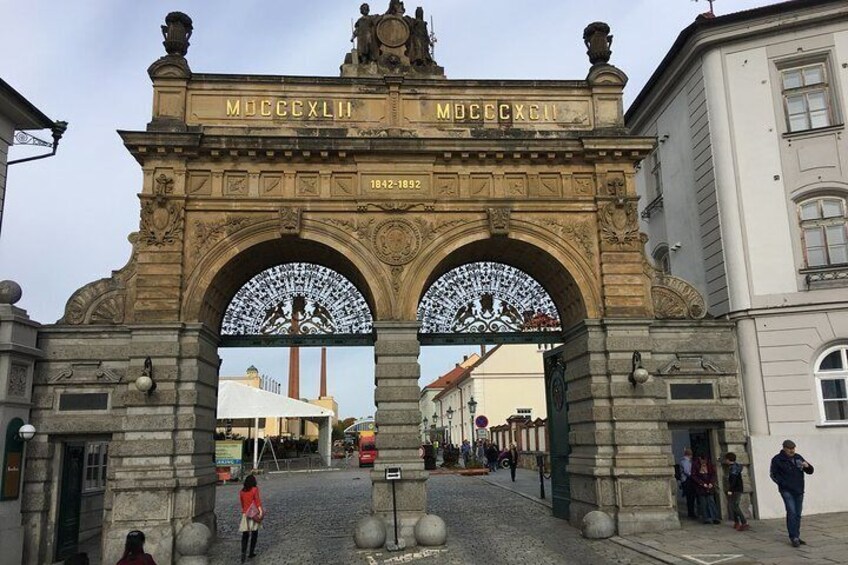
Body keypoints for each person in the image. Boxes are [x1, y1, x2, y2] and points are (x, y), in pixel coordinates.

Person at [770, 439, 814, 547]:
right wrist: (783, 484)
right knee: (792, 512)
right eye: (789, 449)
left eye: (793, 448)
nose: (792, 450)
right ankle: (793, 537)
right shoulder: (777, 459)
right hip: (786, 490)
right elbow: (773, 475)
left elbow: (810, 471)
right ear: (784, 448)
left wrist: (807, 466)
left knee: (798, 514)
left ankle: (797, 536)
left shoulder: (798, 457)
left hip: (799, 489)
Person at [239, 474, 264, 562]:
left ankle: (243, 554)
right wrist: (261, 512)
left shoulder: (242, 491)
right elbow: (257, 501)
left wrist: (245, 511)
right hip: (253, 514)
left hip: (245, 514)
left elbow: (242, 503)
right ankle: (251, 552)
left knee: (245, 535)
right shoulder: (254, 489)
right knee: (254, 533)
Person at [690, 456, 720, 524]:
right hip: (701, 487)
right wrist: (702, 484)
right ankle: (706, 518)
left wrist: (711, 483)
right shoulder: (695, 465)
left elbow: (713, 474)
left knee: (711, 502)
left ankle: (714, 517)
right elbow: (694, 476)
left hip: (709, 486)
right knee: (703, 503)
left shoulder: (709, 465)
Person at [724, 452, 748, 531]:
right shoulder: (736, 466)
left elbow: (733, 481)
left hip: (736, 489)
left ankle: (744, 522)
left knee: (735, 506)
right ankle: (736, 522)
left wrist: (730, 489)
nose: (725, 461)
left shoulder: (733, 469)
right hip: (738, 488)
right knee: (733, 505)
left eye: (726, 459)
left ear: (728, 459)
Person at [678, 448, 696, 518]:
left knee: (690, 497)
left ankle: (691, 513)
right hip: (687, 480)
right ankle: (691, 513)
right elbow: (687, 471)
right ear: (690, 455)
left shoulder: (683, 461)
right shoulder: (685, 461)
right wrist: (693, 475)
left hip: (686, 480)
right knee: (690, 497)